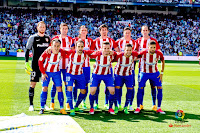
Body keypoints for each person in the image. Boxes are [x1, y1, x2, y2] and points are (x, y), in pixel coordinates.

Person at [91, 24, 120, 110]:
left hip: (108, 68)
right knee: (97, 86)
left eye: (105, 30)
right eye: (102, 30)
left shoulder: (111, 41)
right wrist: (96, 60)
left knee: (109, 86)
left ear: (107, 31)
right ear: (99, 31)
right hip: (98, 67)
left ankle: (106, 103)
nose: (104, 31)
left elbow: (118, 53)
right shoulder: (95, 41)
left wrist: (113, 53)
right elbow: (91, 53)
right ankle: (96, 103)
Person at [25, 21, 51, 111]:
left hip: (45, 66)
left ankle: (44, 104)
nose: (42, 28)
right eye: (41, 27)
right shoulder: (33, 38)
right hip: (35, 65)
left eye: (44, 27)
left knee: (45, 85)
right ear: (37, 28)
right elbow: (27, 50)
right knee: (33, 84)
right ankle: (31, 104)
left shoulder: (48, 38)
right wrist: (26, 62)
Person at [134, 40, 165, 114]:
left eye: (154, 47)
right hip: (144, 73)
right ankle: (138, 107)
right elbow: (135, 57)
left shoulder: (158, 53)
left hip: (155, 73)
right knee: (140, 88)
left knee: (160, 88)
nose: (152, 49)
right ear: (148, 47)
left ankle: (159, 108)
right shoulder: (143, 53)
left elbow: (163, 61)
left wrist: (162, 73)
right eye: (151, 47)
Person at [135, 25, 161, 111]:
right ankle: (140, 104)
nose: (145, 32)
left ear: (148, 31)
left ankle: (154, 105)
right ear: (141, 31)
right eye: (143, 30)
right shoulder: (138, 41)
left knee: (153, 86)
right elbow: (135, 53)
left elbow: (159, 52)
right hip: (142, 68)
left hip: (153, 69)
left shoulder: (153, 41)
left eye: (146, 30)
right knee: (141, 86)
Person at [65, 40, 94, 115]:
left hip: (80, 74)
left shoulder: (85, 53)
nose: (80, 48)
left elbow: (97, 52)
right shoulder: (71, 52)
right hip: (70, 73)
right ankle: (71, 109)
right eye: (78, 46)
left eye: (81, 47)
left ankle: (76, 106)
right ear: (75, 47)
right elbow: (60, 51)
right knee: (69, 88)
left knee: (83, 91)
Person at [38, 39, 67, 115]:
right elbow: (40, 61)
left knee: (59, 88)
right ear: (51, 45)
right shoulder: (47, 52)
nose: (56, 48)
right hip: (46, 72)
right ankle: (42, 107)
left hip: (56, 72)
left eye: (58, 46)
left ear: (60, 46)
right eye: (54, 46)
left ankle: (61, 108)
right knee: (44, 88)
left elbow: (70, 53)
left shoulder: (62, 52)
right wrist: (43, 73)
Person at [49, 23, 74, 111]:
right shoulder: (55, 39)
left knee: (67, 84)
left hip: (67, 67)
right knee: (55, 84)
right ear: (60, 29)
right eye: (63, 28)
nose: (64, 30)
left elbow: (73, 51)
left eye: (66, 28)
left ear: (67, 30)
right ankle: (52, 102)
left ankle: (67, 103)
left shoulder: (70, 40)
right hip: (56, 67)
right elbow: (50, 50)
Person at [89, 41, 116, 115]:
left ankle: (110, 108)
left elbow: (117, 54)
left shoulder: (112, 54)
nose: (106, 50)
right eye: (105, 48)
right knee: (92, 91)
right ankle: (91, 108)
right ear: (102, 48)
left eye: (108, 48)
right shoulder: (97, 54)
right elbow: (90, 55)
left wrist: (113, 52)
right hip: (96, 75)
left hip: (107, 75)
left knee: (112, 91)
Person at [115, 27, 137, 111]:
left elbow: (137, 54)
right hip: (120, 69)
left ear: (131, 33)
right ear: (123, 33)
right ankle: (118, 103)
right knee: (118, 87)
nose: (127, 34)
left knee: (131, 87)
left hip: (130, 69)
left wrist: (135, 59)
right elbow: (115, 52)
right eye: (126, 32)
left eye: (129, 32)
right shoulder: (118, 41)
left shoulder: (134, 42)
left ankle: (130, 104)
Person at [113, 44, 138, 114]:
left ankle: (126, 107)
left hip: (128, 75)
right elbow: (110, 60)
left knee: (130, 90)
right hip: (119, 75)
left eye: (130, 50)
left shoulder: (134, 54)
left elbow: (142, 54)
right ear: (124, 50)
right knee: (117, 90)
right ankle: (116, 106)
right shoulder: (119, 55)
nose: (128, 52)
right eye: (127, 50)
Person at [73, 25, 93, 109]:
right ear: (79, 31)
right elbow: (72, 51)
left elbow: (92, 52)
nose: (84, 31)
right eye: (82, 30)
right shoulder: (74, 40)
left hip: (86, 67)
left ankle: (83, 101)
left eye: (85, 30)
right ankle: (74, 101)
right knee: (75, 84)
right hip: (76, 66)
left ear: (87, 32)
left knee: (86, 85)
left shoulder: (90, 41)